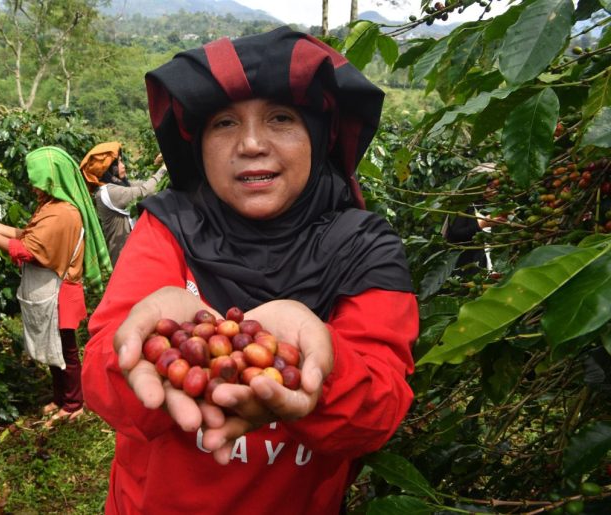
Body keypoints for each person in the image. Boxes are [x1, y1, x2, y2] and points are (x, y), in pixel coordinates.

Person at [81, 27, 418, 515]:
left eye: (281, 118)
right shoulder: (167, 227)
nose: (252, 144)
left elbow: (380, 410)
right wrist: (138, 358)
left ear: (318, 137)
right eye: (224, 124)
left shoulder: (364, 246)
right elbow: (101, 373)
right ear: (198, 145)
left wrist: (325, 368)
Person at [0, 146, 112, 427]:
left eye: (36, 180)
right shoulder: (51, 206)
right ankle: (61, 398)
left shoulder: (62, 212)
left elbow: (28, 250)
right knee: (54, 350)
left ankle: (74, 403)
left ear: (51, 178)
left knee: (66, 352)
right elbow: (32, 237)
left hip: (60, 293)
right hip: (51, 291)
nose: (32, 186)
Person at [80, 142, 166, 265]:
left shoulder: (120, 185)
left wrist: (158, 166)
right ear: (108, 168)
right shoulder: (108, 192)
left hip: (133, 255)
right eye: (118, 162)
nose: (123, 165)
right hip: (124, 261)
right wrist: (164, 168)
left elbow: (147, 184)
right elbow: (145, 191)